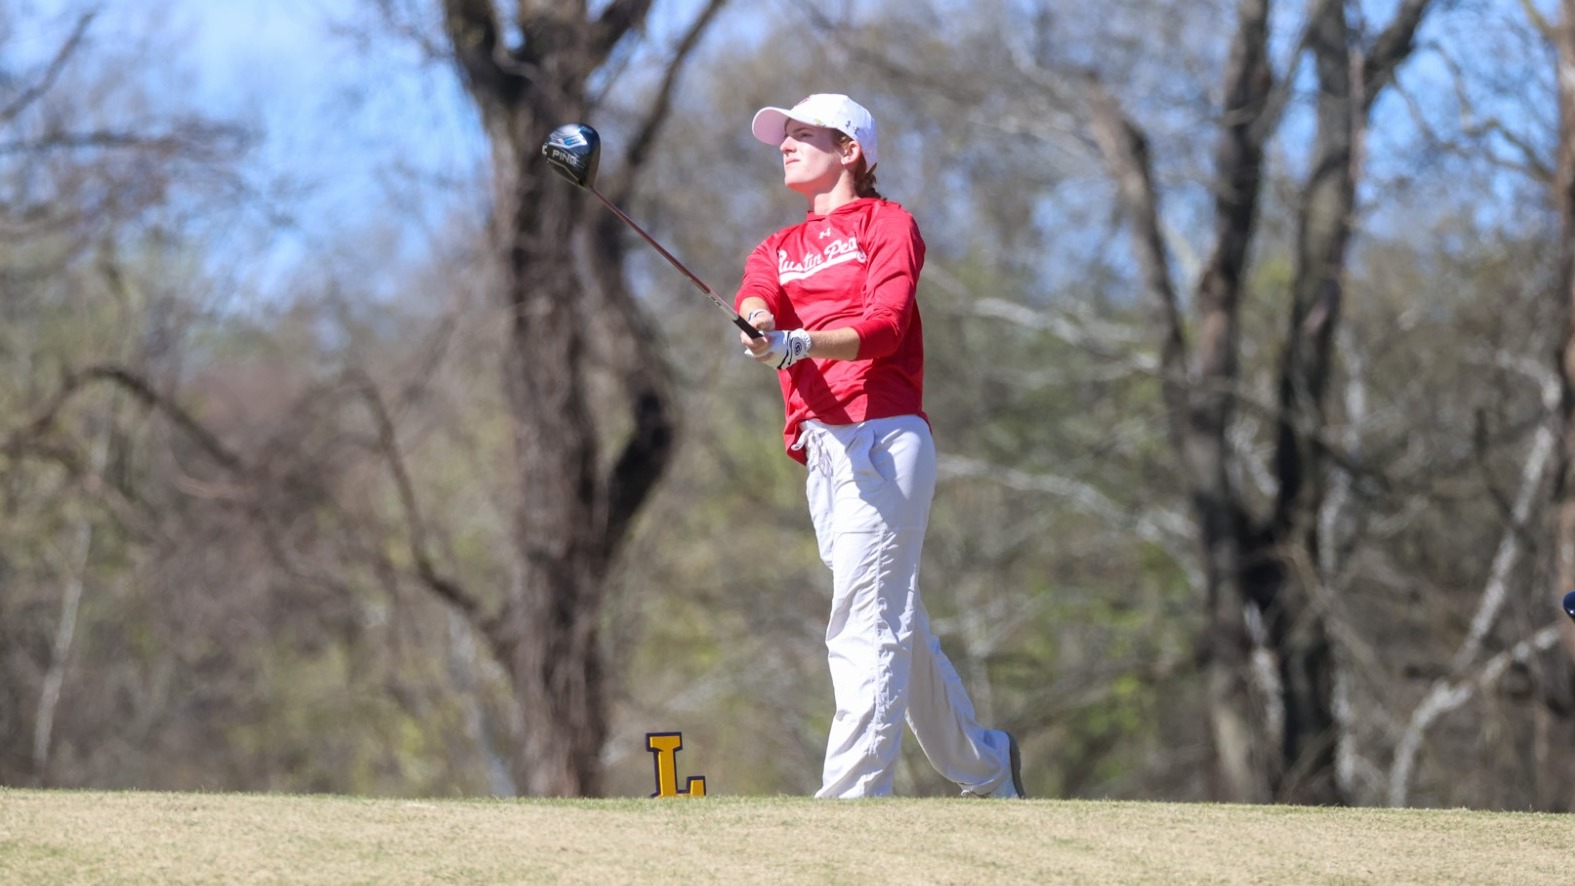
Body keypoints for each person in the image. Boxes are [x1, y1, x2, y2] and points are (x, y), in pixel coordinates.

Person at [734, 93, 1026, 800]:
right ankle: (987, 766)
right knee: (895, 620)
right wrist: (758, 324)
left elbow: (887, 325)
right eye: (784, 135)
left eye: (803, 134)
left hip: (884, 435)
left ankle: (852, 800)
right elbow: (756, 294)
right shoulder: (776, 246)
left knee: (864, 621)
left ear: (850, 150)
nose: (786, 144)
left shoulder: (888, 224)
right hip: (821, 449)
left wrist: (799, 343)